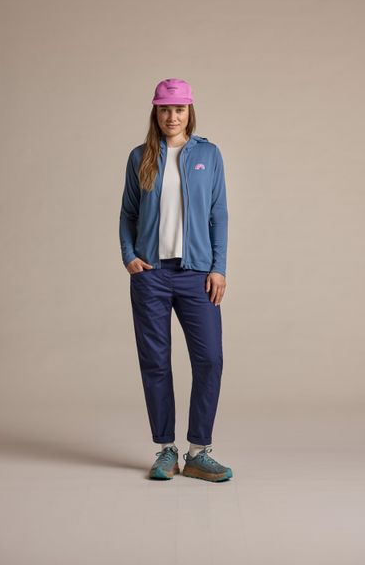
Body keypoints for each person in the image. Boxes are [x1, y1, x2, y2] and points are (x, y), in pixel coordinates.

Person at [119, 78, 233, 482]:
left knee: (210, 359)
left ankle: (199, 452)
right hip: (151, 275)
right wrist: (129, 255)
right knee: (155, 362)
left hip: (196, 274)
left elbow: (219, 214)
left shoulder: (209, 154)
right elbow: (127, 213)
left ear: (189, 111)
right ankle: (166, 450)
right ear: (156, 112)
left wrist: (219, 267)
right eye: (165, 109)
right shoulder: (140, 156)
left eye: (179, 109)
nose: (172, 116)